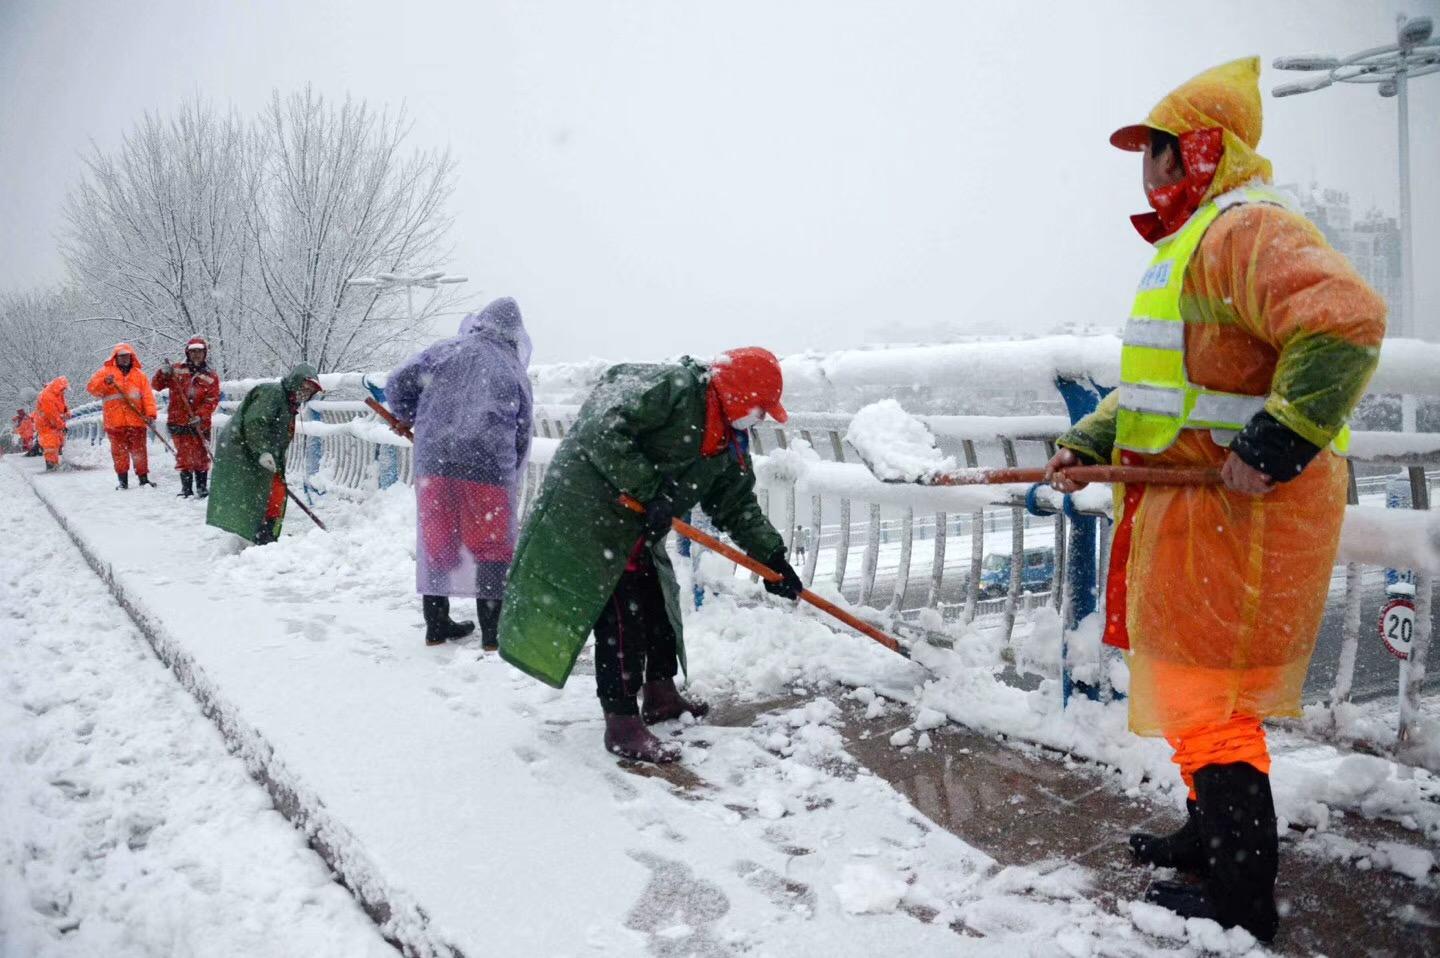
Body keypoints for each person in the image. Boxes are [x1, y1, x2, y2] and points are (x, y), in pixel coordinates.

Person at [1045, 58, 1385, 941]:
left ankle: (1241, 895)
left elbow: (1345, 319)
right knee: (1194, 692)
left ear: (1194, 152)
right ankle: (1209, 836)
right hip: (1197, 516)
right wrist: (1091, 442)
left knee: (1209, 703)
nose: (1145, 171)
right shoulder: (1193, 244)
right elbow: (1167, 389)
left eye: (1155, 152)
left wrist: (1275, 443)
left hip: (1245, 517)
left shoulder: (1246, 231)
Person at [499, 347, 803, 763]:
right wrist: (647, 487)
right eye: (760, 407)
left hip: (640, 521)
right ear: (733, 393)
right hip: (594, 509)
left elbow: (736, 504)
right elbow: (601, 428)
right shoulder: (672, 390)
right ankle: (621, 722)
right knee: (623, 616)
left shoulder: (729, 441)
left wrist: (773, 561)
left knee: (657, 604)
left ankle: (660, 694)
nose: (762, 417)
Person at [385, 298, 534, 650]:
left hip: (435, 461)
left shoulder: (444, 351)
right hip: (487, 467)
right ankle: (493, 635)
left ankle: (436, 626)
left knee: (438, 540)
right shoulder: (511, 368)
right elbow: (523, 428)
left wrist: (412, 416)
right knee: (491, 547)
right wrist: (511, 467)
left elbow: (397, 385)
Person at [206, 364, 323, 545]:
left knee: (269, 492)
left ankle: (264, 536)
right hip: (244, 448)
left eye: (310, 390)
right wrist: (263, 452)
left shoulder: (289, 402)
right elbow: (256, 422)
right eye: (305, 386)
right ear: (295, 381)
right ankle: (263, 537)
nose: (306, 392)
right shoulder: (274, 394)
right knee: (266, 492)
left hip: (255, 449)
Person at [152, 336, 222, 498]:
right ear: (187, 353)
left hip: (200, 423)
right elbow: (156, 385)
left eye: (199, 351)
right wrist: (163, 373)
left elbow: (212, 399)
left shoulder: (211, 376)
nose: (196, 355)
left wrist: (200, 415)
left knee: (201, 454)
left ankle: (202, 487)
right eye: (193, 352)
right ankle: (186, 488)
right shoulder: (176, 370)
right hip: (179, 420)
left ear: (205, 353)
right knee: (184, 455)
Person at [86, 343, 159, 489]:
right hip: (115, 421)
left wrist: (150, 413)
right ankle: (122, 481)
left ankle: (143, 478)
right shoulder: (105, 373)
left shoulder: (139, 375)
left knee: (140, 451)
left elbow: (147, 396)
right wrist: (105, 383)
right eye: (121, 356)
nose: (125, 359)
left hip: (136, 421)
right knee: (119, 453)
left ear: (132, 357)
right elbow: (92, 389)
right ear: (116, 358)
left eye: (127, 356)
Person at [33, 378, 70, 470]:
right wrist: (61, 425)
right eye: (63, 389)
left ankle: (54, 464)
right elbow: (51, 415)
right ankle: (51, 466)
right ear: (58, 387)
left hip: (53, 424)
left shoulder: (58, 394)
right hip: (45, 425)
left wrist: (67, 413)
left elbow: (64, 406)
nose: (64, 391)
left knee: (57, 442)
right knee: (50, 445)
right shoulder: (46, 396)